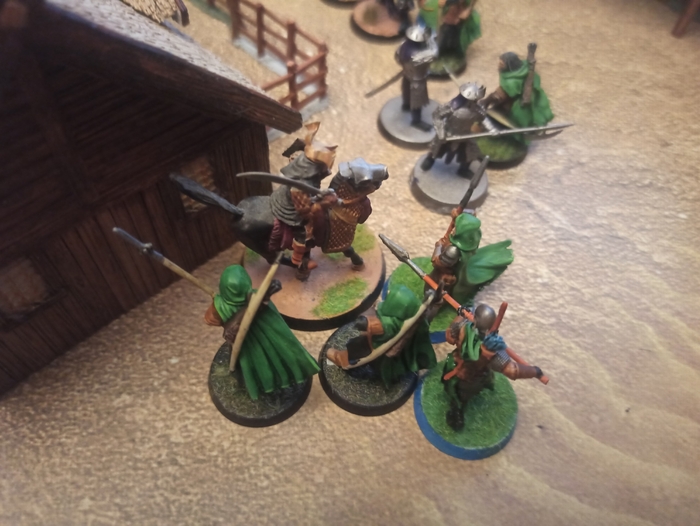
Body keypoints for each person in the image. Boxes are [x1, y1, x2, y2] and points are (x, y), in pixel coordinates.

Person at [204, 265, 320, 400]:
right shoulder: (224, 305)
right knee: (246, 366)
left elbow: (264, 313)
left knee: (269, 362)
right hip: (246, 345)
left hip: (266, 339)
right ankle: (251, 384)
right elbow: (215, 321)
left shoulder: (248, 299)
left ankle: (267, 384)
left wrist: (263, 298)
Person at [441, 304, 544, 430]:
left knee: (463, 395)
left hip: (472, 377)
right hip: (456, 364)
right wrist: (463, 312)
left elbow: (512, 371)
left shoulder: (491, 349)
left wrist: (534, 371)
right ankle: (455, 405)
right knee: (451, 387)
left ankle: (457, 409)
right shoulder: (464, 327)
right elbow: (450, 335)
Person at [326, 285, 437, 387]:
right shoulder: (401, 318)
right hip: (377, 345)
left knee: (355, 350)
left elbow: (375, 325)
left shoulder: (391, 323)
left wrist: (364, 322)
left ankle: (342, 360)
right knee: (357, 348)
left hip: (374, 347)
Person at [429, 211, 513, 307]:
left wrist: (438, 246)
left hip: (443, 278)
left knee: (436, 299)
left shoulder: (454, 250)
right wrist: (455, 219)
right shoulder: (469, 243)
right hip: (449, 274)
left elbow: (436, 262)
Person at [420, 82, 498, 174]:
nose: (475, 101)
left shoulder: (477, 110)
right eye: (474, 99)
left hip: (465, 135)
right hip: (448, 133)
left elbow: (483, 119)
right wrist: (441, 132)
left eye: (475, 100)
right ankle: (430, 159)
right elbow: (437, 116)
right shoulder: (451, 107)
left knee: (472, 151)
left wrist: (492, 129)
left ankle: (463, 169)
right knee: (436, 147)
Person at [481, 50, 554, 143]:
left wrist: (486, 102)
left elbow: (501, 94)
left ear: (509, 65)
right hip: (512, 99)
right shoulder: (520, 69)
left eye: (501, 64)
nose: (498, 65)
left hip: (517, 106)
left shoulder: (512, 82)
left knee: (501, 120)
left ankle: (504, 136)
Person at [395, 24, 438, 131]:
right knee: (417, 102)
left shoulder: (403, 44)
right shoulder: (421, 55)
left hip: (406, 74)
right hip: (418, 80)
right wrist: (430, 39)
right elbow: (435, 53)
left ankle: (406, 105)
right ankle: (416, 121)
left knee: (406, 92)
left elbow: (397, 57)